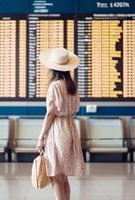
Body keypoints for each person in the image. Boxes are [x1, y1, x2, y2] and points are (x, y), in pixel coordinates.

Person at [36, 48, 85, 200]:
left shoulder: (54, 86)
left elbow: (51, 113)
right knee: (63, 176)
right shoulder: (72, 86)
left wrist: (41, 137)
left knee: (55, 176)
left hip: (57, 131)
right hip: (70, 128)